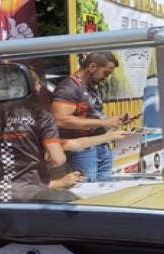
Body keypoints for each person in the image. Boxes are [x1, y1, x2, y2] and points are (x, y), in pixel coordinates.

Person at [0, 73, 67, 202]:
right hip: (30, 194)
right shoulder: (41, 118)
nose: (40, 86)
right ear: (28, 88)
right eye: (37, 83)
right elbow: (57, 159)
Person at [51, 51, 133, 182]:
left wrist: (113, 120)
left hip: (101, 147)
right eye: (105, 73)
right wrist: (103, 123)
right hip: (81, 152)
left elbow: (91, 116)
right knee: (86, 190)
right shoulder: (68, 88)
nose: (106, 78)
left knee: (104, 190)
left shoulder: (91, 86)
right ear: (92, 67)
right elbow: (60, 120)